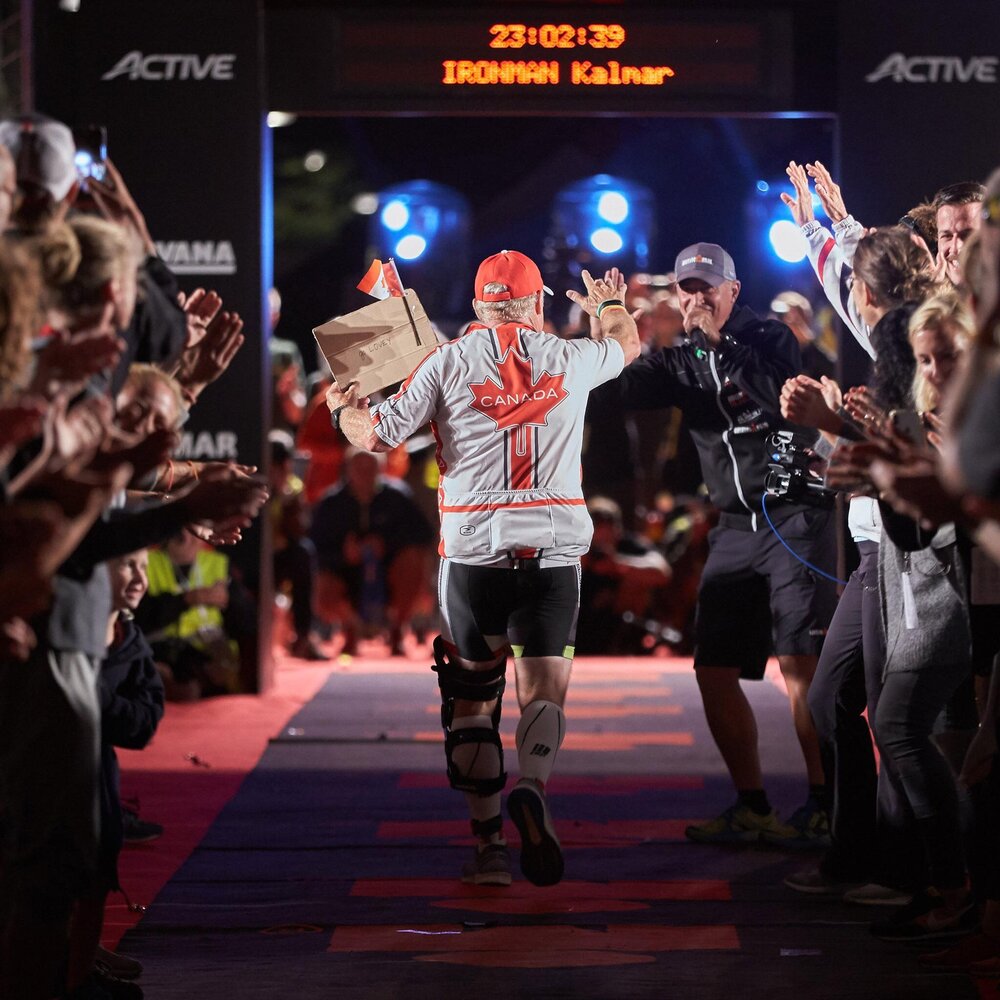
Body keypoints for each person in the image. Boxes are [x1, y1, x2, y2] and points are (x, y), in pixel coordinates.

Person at [327, 251, 640, 886]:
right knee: (544, 688)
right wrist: (608, 306)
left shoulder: (443, 362)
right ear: (538, 306)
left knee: (471, 699)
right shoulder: (573, 359)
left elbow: (378, 437)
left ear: (477, 306)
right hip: (552, 548)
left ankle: (489, 844)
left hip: (472, 551)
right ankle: (535, 784)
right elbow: (627, 344)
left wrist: (342, 409)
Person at [595, 241, 837, 847]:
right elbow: (615, 387)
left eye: (708, 288)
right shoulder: (681, 360)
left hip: (793, 513)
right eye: (688, 289)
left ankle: (827, 801)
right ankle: (752, 803)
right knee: (714, 668)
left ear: (733, 290)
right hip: (733, 525)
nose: (697, 299)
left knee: (799, 667)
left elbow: (771, 396)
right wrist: (611, 327)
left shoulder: (770, 336)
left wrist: (716, 343)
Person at [310, 448, 434, 656]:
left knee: (414, 561)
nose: (364, 474)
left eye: (370, 468)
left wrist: (385, 545)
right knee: (324, 582)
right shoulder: (331, 503)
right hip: (347, 575)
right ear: (348, 470)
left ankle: (397, 628)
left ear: (381, 470)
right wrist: (345, 554)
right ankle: (350, 627)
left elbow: (423, 536)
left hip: (389, 574)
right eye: (359, 469)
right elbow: (316, 548)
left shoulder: (398, 497)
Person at [269, 429, 326, 660]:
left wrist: (284, 501)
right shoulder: (248, 480)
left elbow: (300, 529)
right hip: (250, 554)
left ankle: (302, 636)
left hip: (279, 555)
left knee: (303, 553)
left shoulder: (292, 487)